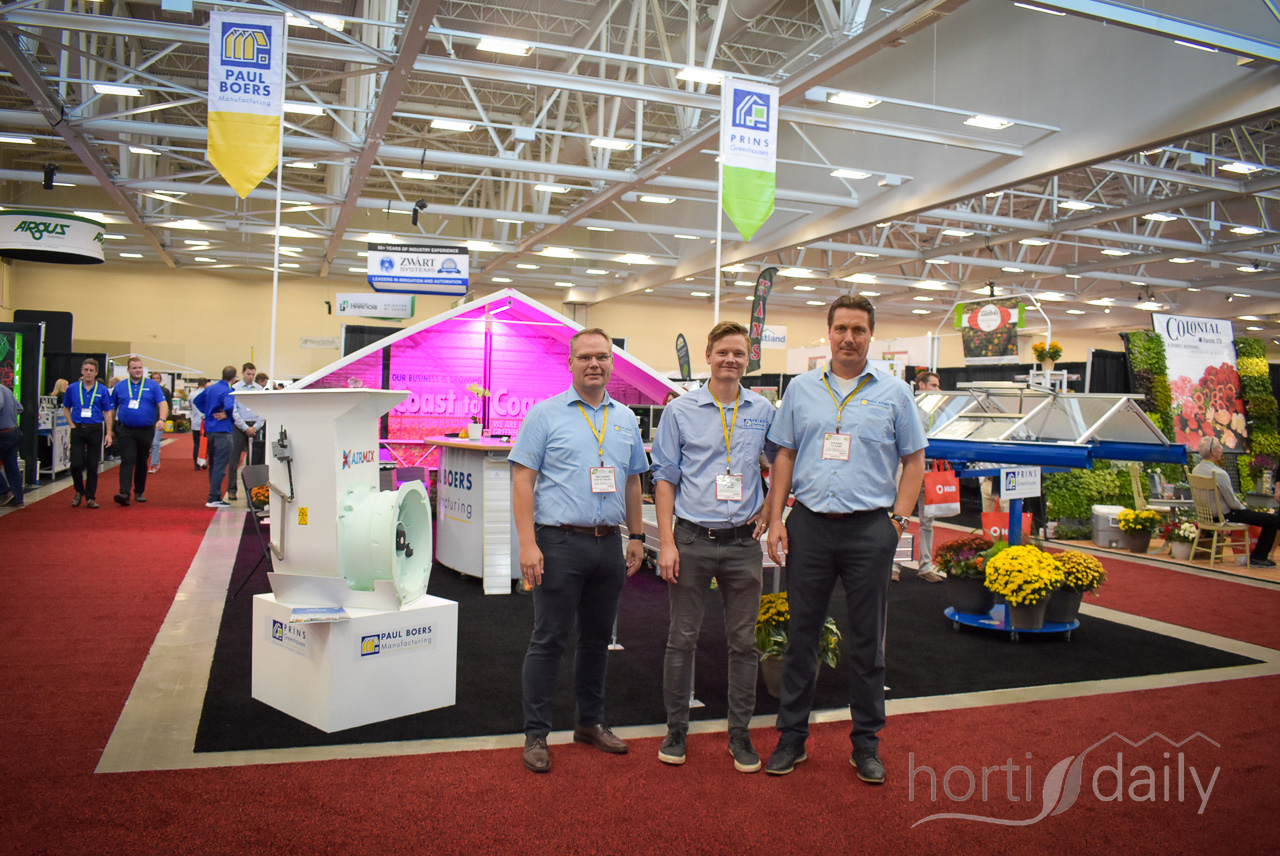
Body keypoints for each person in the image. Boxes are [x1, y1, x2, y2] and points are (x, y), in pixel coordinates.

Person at [762, 294, 927, 784]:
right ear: (828, 333)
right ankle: (792, 738)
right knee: (801, 637)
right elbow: (784, 455)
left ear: (871, 335)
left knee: (868, 642)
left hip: (869, 530)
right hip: (809, 526)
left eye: (859, 329)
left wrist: (897, 523)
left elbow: (914, 460)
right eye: (841, 329)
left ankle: (866, 744)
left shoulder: (895, 393)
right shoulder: (801, 390)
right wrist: (777, 518)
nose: (849, 338)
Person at [509, 327, 649, 774]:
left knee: (596, 640)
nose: (594, 364)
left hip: (608, 544)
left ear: (612, 363)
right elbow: (522, 480)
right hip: (559, 543)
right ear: (569, 363)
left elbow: (633, 479)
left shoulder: (625, 418)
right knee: (549, 638)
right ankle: (536, 733)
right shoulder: (544, 415)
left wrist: (637, 536)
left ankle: (589, 722)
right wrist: (527, 543)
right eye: (585, 357)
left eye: (602, 357)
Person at [649, 321, 774, 772]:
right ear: (708, 356)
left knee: (744, 643)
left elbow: (781, 461)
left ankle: (739, 735)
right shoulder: (680, 411)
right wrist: (666, 542)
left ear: (748, 359)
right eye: (723, 352)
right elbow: (664, 478)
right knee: (681, 639)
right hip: (692, 539)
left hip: (743, 543)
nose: (730, 360)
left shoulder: (763, 409)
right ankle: (676, 731)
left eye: (738, 353)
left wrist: (772, 509)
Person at [1194, 435, 1278, 568]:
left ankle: (1258, 557)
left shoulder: (1195, 470)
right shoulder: (1219, 473)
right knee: (1272, 520)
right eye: (1220, 447)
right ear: (1213, 452)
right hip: (1225, 516)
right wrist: (1245, 509)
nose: (1222, 450)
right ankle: (1259, 558)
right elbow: (1233, 503)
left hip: (1207, 516)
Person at [109, 356, 169, 506]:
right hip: (126, 430)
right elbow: (111, 409)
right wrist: (109, 430)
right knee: (127, 459)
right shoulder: (120, 386)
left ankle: (139, 491)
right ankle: (124, 493)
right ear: (128, 370)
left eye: (140, 368)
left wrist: (162, 419)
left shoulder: (152, 385)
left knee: (142, 460)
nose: (137, 370)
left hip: (145, 430)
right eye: (134, 368)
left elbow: (163, 404)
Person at [61, 358, 114, 509]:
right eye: (86, 370)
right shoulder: (73, 388)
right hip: (77, 428)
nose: (88, 373)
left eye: (91, 371)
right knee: (76, 463)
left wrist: (108, 433)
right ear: (82, 371)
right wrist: (71, 425)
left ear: (96, 373)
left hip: (95, 428)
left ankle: (90, 497)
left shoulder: (102, 390)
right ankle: (79, 490)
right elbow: (66, 408)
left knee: (92, 465)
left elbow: (107, 412)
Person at [911, 371, 946, 583]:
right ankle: (895, 565)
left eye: (938, 385)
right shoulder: (910, 406)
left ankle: (925, 566)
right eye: (933, 385)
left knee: (928, 521)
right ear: (921, 386)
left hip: (931, 470)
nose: (937, 389)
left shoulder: (940, 409)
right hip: (908, 469)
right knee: (901, 518)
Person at [193, 366, 238, 509]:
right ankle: (214, 497)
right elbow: (229, 406)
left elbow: (197, 401)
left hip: (210, 430)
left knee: (213, 464)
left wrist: (208, 413)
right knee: (220, 465)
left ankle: (214, 495)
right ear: (234, 378)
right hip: (223, 430)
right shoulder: (228, 390)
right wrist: (227, 414)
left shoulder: (210, 388)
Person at [227, 363, 265, 502]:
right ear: (243, 373)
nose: (251, 377)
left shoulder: (259, 389)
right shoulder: (235, 388)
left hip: (255, 426)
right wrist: (244, 427)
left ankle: (256, 492)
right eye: (248, 374)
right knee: (234, 459)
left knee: (256, 460)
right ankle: (232, 490)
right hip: (240, 426)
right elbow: (234, 411)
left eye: (253, 374)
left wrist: (256, 426)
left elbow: (263, 409)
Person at [0, 381, 23, 508]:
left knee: (11, 466)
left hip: (2, 434)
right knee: (12, 467)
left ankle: (5, 491)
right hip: (14, 432)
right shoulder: (6, 389)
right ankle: (18, 499)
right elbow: (20, 408)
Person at [147, 372, 173, 473]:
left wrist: (164, 418)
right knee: (148, 442)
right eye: (153, 378)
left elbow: (169, 406)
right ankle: (155, 461)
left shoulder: (165, 391)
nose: (155, 380)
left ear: (160, 380)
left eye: (157, 378)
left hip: (159, 420)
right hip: (148, 420)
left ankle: (153, 464)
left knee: (155, 442)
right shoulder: (147, 390)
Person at [190, 378, 209, 470]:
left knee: (196, 444)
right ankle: (204, 461)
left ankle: (196, 464)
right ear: (205, 384)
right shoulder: (207, 393)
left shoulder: (192, 394)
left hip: (195, 421)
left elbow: (190, 406)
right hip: (205, 422)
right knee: (206, 443)